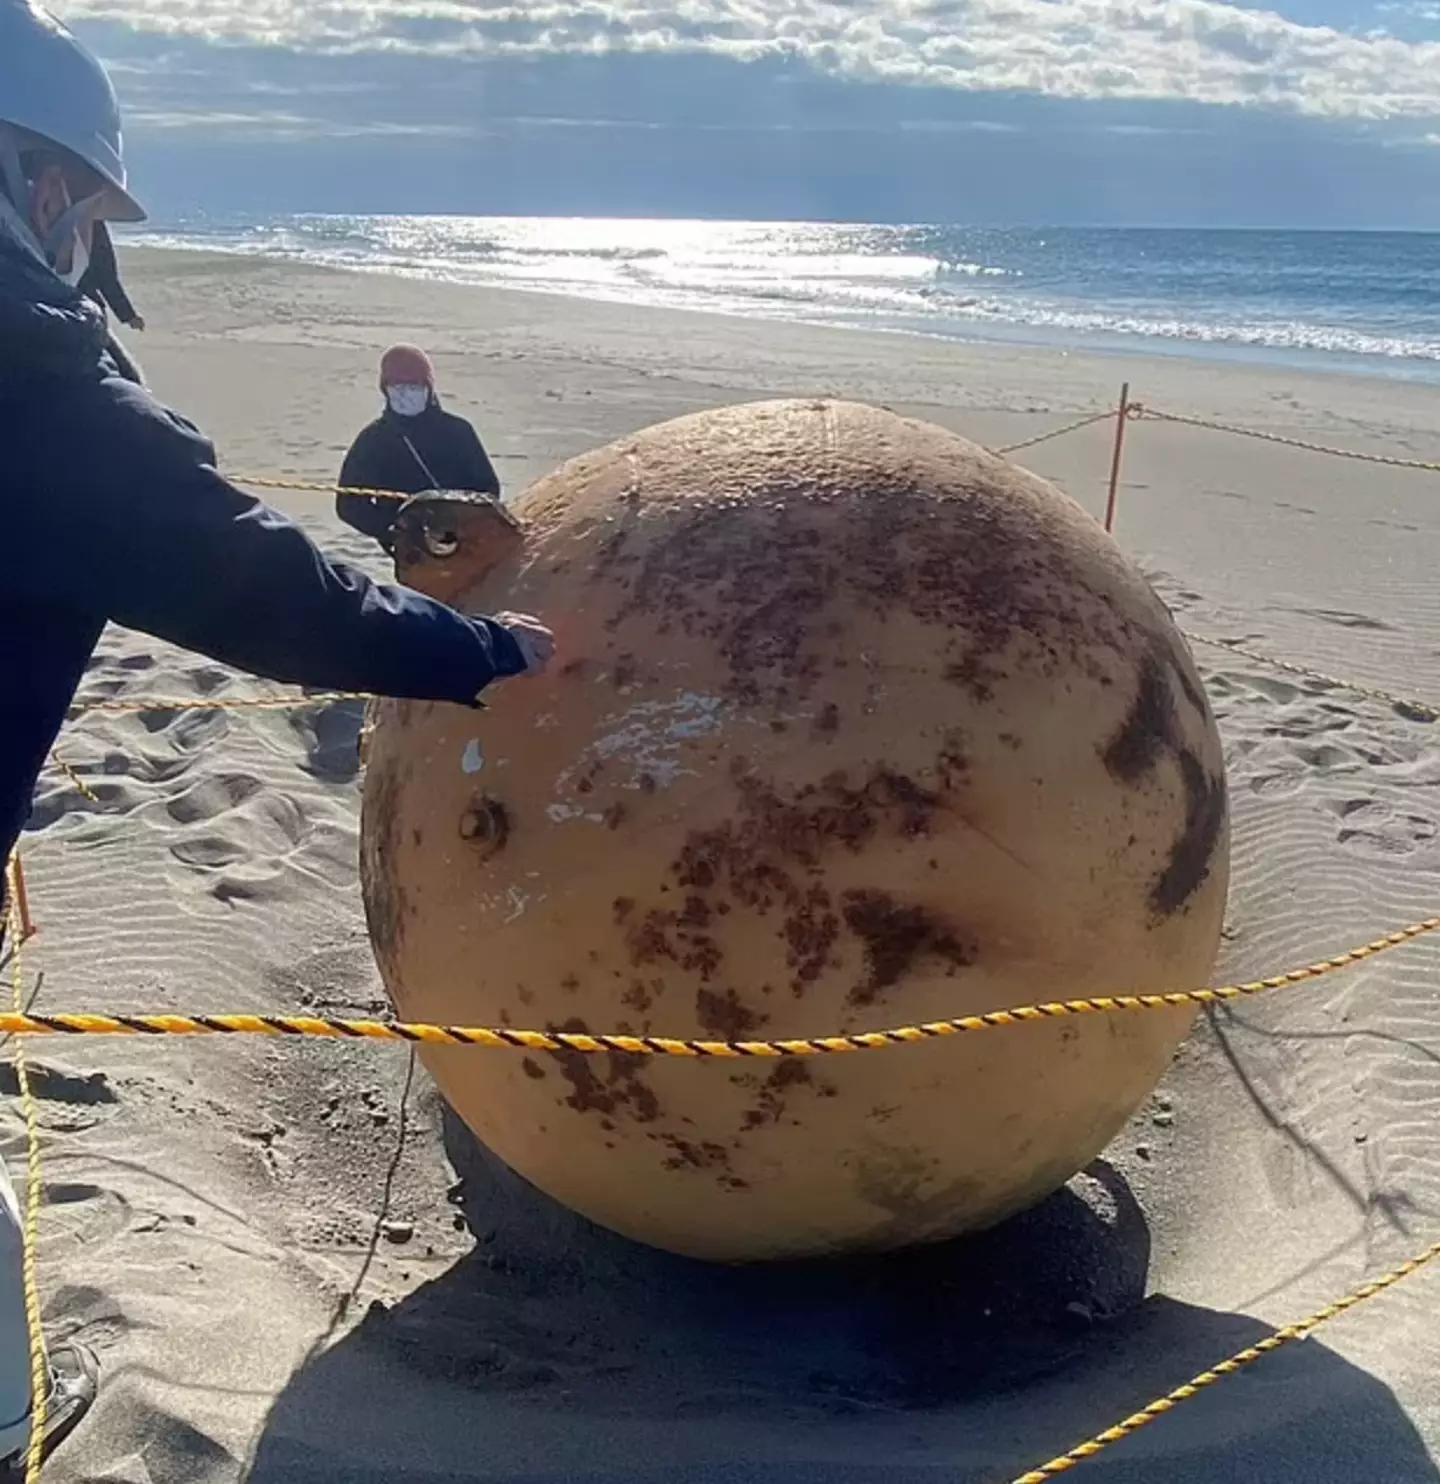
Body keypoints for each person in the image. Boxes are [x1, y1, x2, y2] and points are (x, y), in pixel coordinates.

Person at [0, 3, 554, 1473]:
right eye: (81, 210)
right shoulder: (31, 377)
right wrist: (486, 654)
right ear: (46, 186)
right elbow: (248, 576)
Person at [336, 344, 502, 555]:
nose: (405, 392)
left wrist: (460, 524)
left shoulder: (458, 431)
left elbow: (488, 488)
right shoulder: (373, 439)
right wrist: (396, 531)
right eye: (397, 385)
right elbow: (348, 503)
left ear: (428, 386)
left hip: (466, 544)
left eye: (413, 384)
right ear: (384, 388)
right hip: (413, 555)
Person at [77, 218, 143, 331]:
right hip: (83, 309)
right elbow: (106, 274)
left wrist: (127, 314)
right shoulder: (91, 220)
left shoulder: (40, 219)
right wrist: (128, 315)